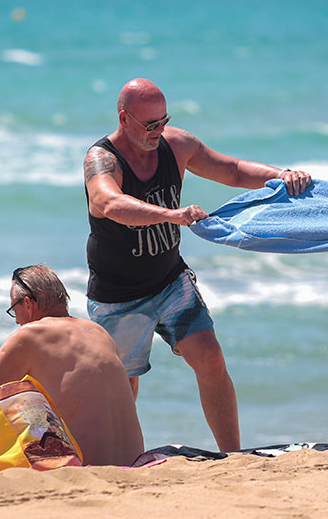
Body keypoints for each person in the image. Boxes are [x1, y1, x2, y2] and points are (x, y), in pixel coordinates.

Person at [82, 78, 311, 452]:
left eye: (163, 120)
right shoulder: (101, 159)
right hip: (118, 295)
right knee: (124, 386)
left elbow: (233, 170)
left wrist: (280, 175)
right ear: (124, 118)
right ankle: (120, 460)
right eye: (149, 125)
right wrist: (171, 215)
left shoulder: (177, 144)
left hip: (170, 281)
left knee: (211, 357)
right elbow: (108, 204)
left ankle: (232, 455)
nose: (159, 131)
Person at [0, 264, 144, 470]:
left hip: (80, 469)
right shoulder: (98, 332)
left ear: (28, 304)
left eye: (14, 309)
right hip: (132, 462)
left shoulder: (30, 335)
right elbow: (70, 392)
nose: (16, 321)